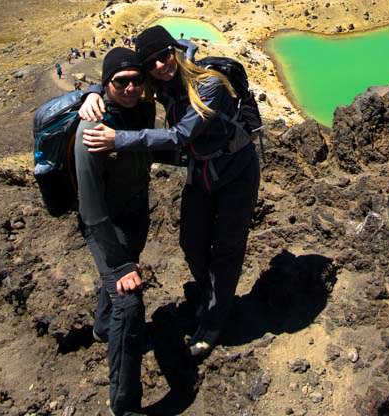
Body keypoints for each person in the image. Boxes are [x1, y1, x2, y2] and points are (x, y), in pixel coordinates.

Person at [81, 26, 260, 359]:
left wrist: (118, 140)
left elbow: (180, 136)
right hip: (202, 173)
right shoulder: (159, 85)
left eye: (165, 56)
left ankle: (213, 321)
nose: (161, 66)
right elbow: (122, 74)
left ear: (174, 53)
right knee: (191, 242)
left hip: (236, 173)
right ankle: (210, 296)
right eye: (153, 64)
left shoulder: (208, 84)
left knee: (226, 248)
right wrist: (92, 91)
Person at [75, 48, 157, 416]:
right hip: (104, 226)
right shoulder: (91, 129)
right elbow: (91, 212)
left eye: (136, 80)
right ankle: (124, 406)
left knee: (120, 291)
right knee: (130, 301)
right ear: (107, 84)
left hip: (137, 214)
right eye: (120, 82)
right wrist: (120, 264)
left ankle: (102, 328)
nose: (130, 87)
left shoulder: (143, 106)